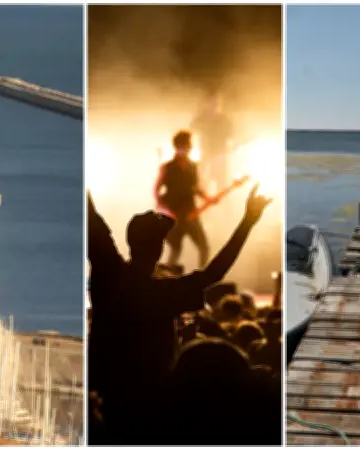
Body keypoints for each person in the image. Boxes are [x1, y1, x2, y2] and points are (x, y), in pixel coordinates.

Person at [86, 181, 271, 444]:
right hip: (151, 411)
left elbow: (91, 219)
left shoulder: (109, 274)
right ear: (160, 249)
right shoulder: (164, 294)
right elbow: (214, 273)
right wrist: (248, 222)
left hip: (104, 400)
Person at [155, 130, 211, 269]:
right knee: (176, 249)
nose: (185, 149)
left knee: (203, 247)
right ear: (176, 147)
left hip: (190, 213)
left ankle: (201, 278)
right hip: (174, 214)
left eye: (187, 146)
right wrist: (167, 211)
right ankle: (166, 279)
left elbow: (195, 187)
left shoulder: (193, 166)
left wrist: (207, 198)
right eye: (182, 146)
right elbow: (156, 191)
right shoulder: (167, 167)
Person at [191, 91, 235, 188]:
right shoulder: (201, 118)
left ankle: (223, 202)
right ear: (206, 104)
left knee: (221, 184)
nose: (214, 106)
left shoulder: (224, 119)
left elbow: (231, 136)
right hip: (206, 155)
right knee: (202, 183)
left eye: (216, 103)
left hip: (220, 156)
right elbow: (192, 129)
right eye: (211, 103)